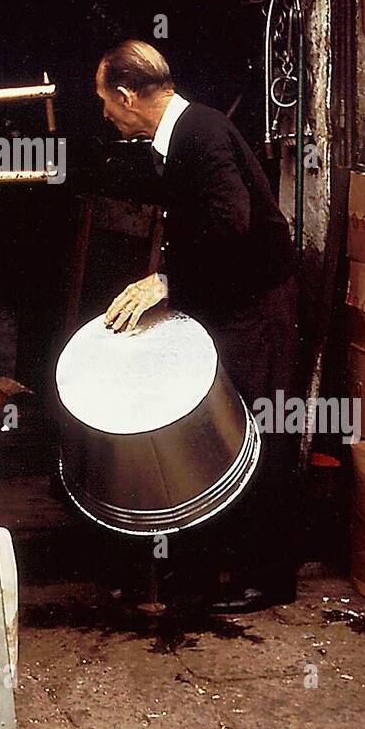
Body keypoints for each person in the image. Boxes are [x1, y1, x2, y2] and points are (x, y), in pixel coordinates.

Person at [94, 39, 301, 613]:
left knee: (260, 429)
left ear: (128, 95)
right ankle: (226, 566)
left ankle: (268, 577)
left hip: (258, 305)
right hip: (235, 300)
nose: (105, 113)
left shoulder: (200, 134)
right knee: (234, 429)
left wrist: (167, 284)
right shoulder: (181, 135)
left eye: (105, 100)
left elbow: (230, 224)